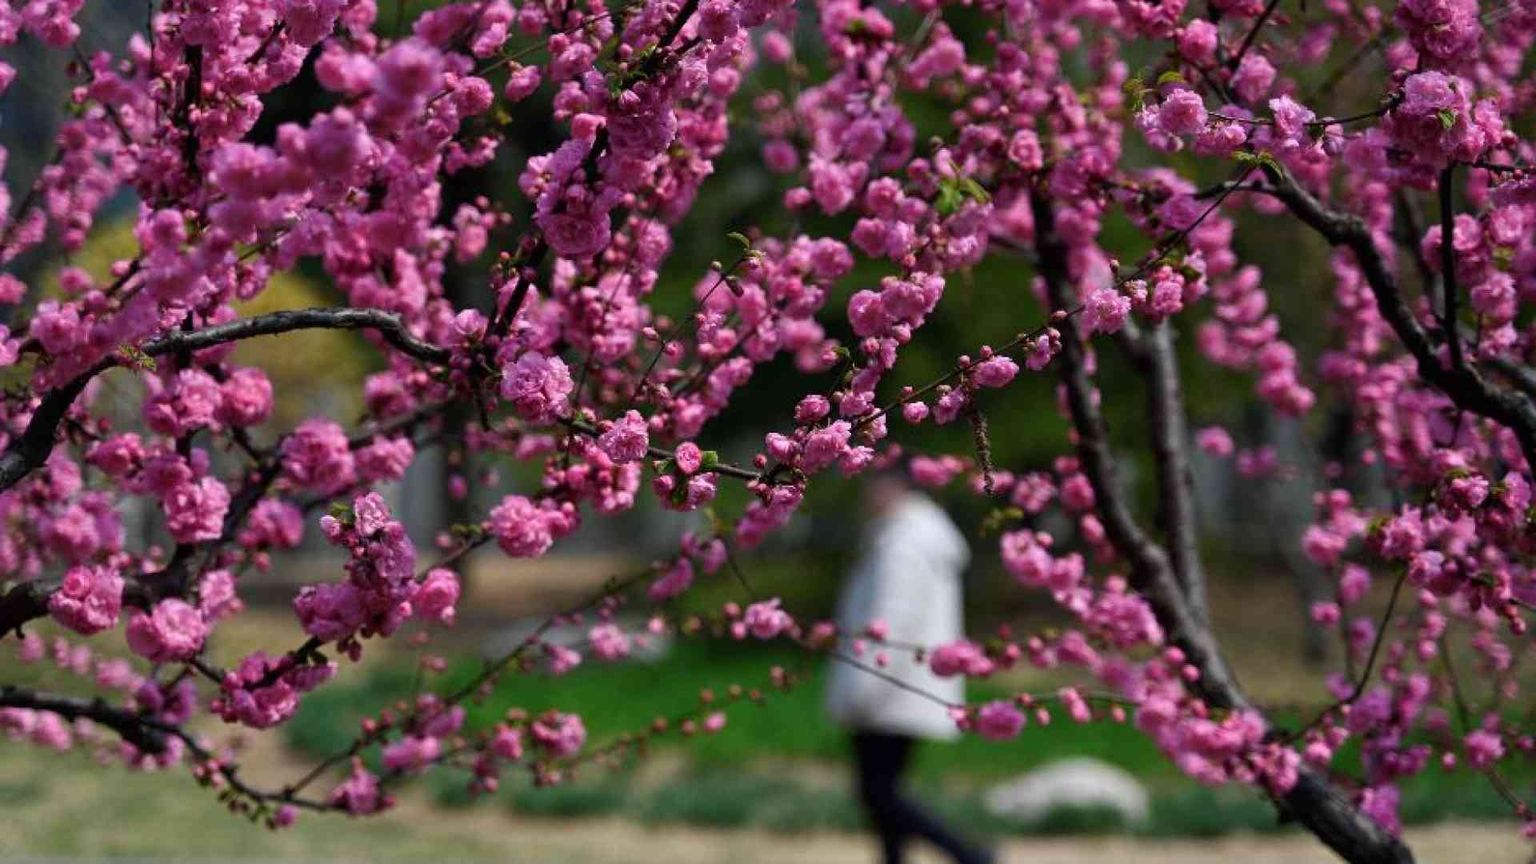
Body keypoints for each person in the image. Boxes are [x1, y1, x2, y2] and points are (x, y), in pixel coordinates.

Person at [825, 467, 993, 864]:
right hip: (902, 683)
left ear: (894, 485)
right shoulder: (910, 535)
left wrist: (863, 687)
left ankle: (972, 856)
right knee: (882, 793)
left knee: (878, 792)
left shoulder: (904, 543)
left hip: (888, 685)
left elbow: (892, 616)